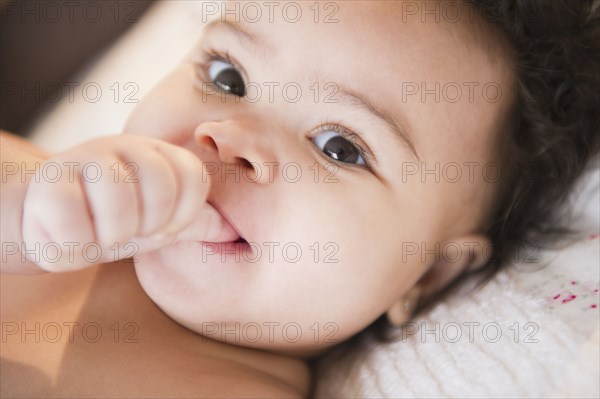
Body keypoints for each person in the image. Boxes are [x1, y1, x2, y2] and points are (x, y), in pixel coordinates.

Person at [1, 1, 598, 397]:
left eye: (340, 146)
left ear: (427, 274)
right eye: (227, 78)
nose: (228, 137)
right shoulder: (29, 173)